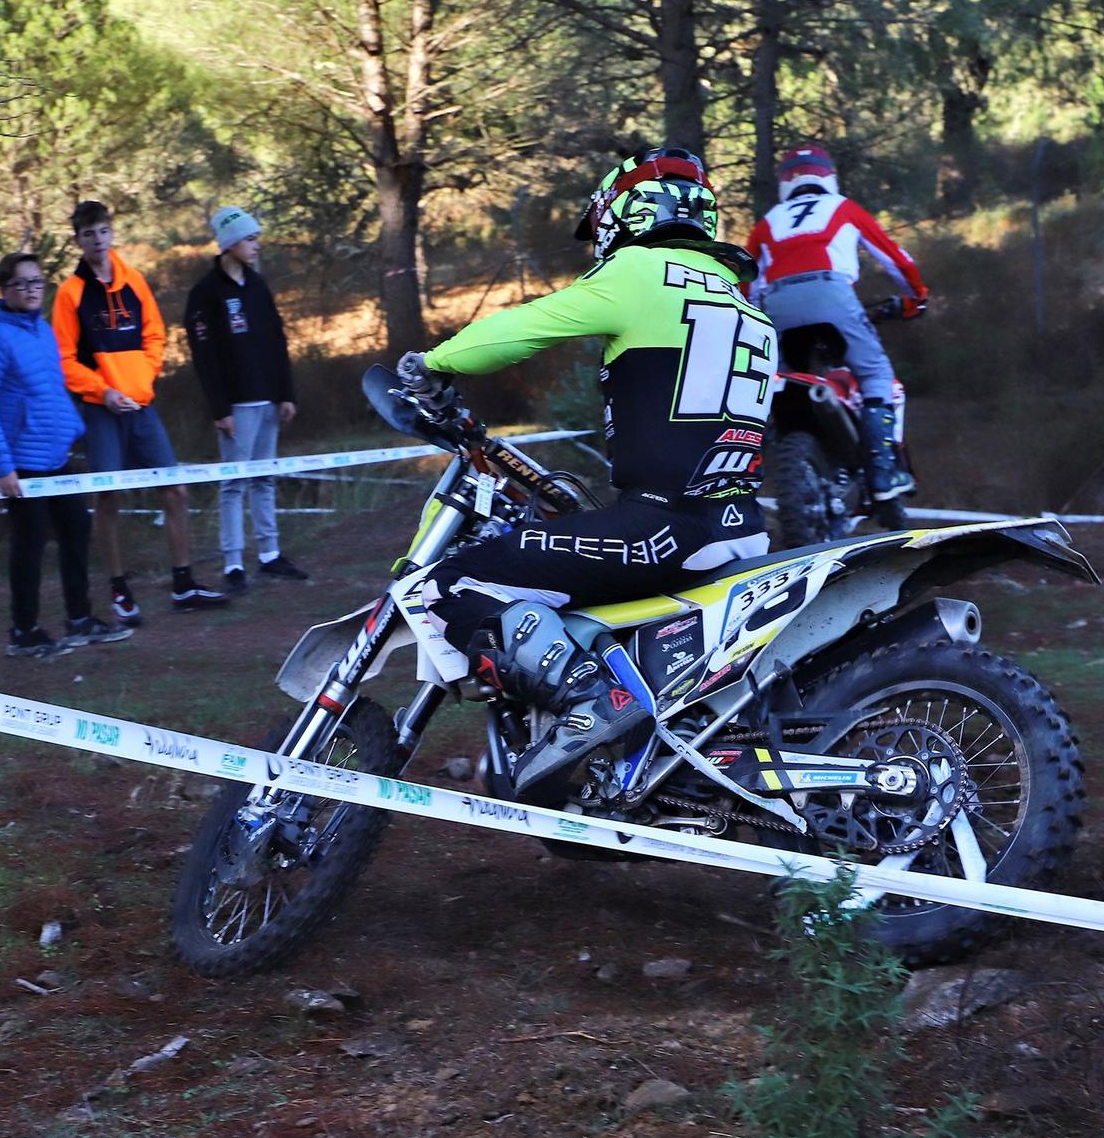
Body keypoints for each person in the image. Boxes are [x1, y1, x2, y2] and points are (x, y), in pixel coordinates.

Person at [396, 146, 775, 796]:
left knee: (444, 586)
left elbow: (523, 328)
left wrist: (432, 366)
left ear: (625, 213)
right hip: (738, 527)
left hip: (660, 529)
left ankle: (590, 699)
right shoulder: (747, 305)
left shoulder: (640, 273)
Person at [51, 200, 227, 621]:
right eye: (89, 234)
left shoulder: (134, 281)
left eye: (103, 231)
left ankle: (183, 584)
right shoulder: (70, 293)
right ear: (78, 240)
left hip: (142, 406)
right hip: (100, 410)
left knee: (175, 490)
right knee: (108, 498)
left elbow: (155, 336)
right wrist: (105, 391)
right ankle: (118, 589)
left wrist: (141, 383)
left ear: (112, 234)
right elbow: (64, 359)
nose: (98, 240)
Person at [0, 252, 133, 658]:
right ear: (5, 289)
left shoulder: (41, 330)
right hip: (21, 462)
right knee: (31, 542)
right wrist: (1, 467)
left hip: (55, 456)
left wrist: (71, 428)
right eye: (21, 283)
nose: (31, 290)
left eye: (37, 282)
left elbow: (51, 389)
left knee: (76, 529)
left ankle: (80, 619)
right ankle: (24, 631)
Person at [745, 144, 930, 501]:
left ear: (786, 184)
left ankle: (755, 467)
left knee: (777, 381)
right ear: (830, 178)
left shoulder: (768, 220)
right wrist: (918, 295)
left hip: (778, 301)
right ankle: (882, 476)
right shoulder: (843, 207)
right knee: (876, 374)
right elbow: (895, 257)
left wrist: (755, 319)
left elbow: (748, 282)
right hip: (832, 293)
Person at [183, 205, 308, 592]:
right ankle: (233, 562)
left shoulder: (258, 286)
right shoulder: (205, 294)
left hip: (268, 401)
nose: (256, 246)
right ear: (229, 243)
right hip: (235, 407)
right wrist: (220, 409)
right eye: (250, 239)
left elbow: (277, 341)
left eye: (256, 239)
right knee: (233, 483)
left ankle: (269, 555)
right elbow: (204, 358)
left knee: (264, 479)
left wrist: (285, 393)